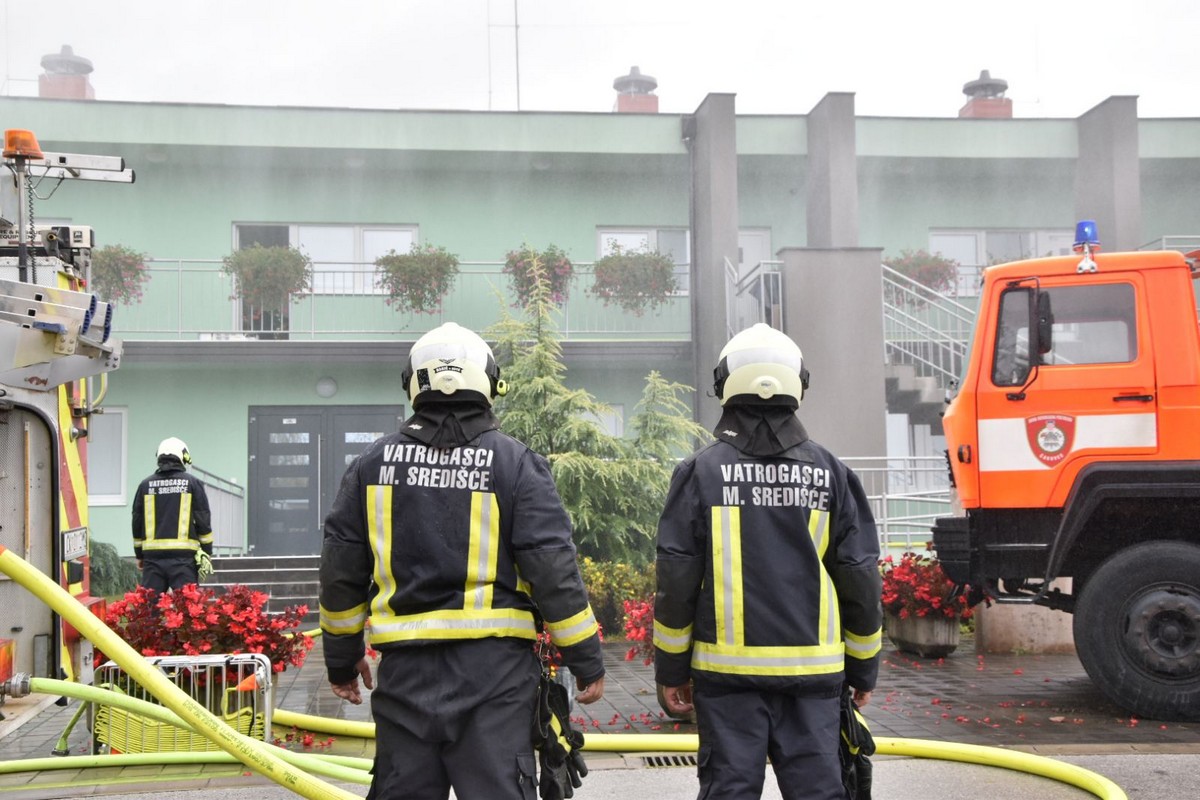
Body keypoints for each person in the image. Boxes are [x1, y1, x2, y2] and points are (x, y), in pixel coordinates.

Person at [319, 321, 606, 800]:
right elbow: (552, 569)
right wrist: (586, 659)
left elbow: (341, 575)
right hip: (496, 676)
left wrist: (341, 660)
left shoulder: (370, 465)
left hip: (405, 674)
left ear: (413, 383)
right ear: (491, 385)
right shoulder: (516, 463)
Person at [653, 323, 883, 800]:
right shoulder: (832, 474)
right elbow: (859, 580)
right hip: (814, 680)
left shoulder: (699, 473)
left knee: (729, 792)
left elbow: (676, 580)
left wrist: (671, 671)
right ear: (798, 384)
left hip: (726, 680)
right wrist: (863, 670)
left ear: (724, 387)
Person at [131, 437, 215, 592]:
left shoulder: (145, 485)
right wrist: (207, 552)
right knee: (188, 610)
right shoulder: (192, 483)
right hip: (184, 560)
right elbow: (203, 518)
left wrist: (139, 555)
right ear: (183, 457)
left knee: (150, 610)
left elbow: (137, 521)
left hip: (152, 558)